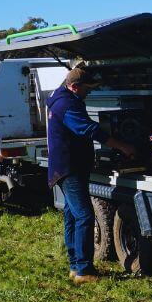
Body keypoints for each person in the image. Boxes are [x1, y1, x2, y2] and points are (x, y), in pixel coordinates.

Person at [46, 65, 136, 284]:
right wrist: (122, 146)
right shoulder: (67, 105)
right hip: (70, 168)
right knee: (85, 216)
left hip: (64, 166)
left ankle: (75, 266)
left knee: (71, 215)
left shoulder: (60, 98)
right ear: (75, 87)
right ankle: (84, 271)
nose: (89, 92)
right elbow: (87, 129)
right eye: (87, 89)